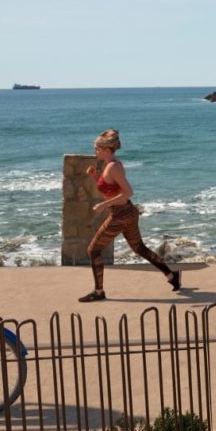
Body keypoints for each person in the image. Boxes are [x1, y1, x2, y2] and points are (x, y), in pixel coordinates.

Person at [79, 129, 182, 303]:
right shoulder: (111, 165)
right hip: (127, 213)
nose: (94, 151)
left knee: (93, 250)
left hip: (121, 214)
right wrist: (95, 176)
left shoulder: (113, 167)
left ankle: (98, 291)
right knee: (139, 248)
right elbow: (110, 189)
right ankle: (172, 276)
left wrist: (103, 205)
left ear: (106, 149)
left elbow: (128, 192)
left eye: (97, 148)